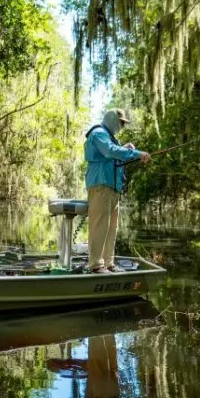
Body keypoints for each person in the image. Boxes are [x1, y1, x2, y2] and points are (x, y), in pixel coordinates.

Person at [84, 109, 150, 274]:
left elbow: (114, 150)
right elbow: (109, 151)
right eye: (121, 123)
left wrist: (125, 148)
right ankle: (96, 266)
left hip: (112, 189)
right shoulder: (99, 133)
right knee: (99, 227)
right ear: (113, 119)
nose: (122, 126)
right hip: (101, 186)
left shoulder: (110, 138)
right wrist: (136, 153)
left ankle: (108, 263)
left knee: (111, 228)